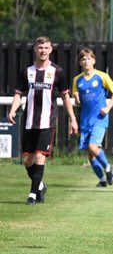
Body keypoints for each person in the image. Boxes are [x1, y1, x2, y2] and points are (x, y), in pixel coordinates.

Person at [7, 36, 78, 204]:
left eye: (46, 47)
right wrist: (13, 109)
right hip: (29, 121)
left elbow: (66, 97)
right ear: (35, 49)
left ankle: (32, 194)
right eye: (40, 48)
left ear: (51, 49)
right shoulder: (27, 71)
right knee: (27, 160)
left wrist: (72, 119)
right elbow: (19, 93)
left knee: (40, 156)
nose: (43, 50)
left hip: (48, 121)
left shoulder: (57, 72)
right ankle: (40, 186)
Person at [72, 48, 113, 187]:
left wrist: (108, 107)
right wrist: (76, 98)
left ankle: (108, 168)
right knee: (90, 154)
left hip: (99, 118)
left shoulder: (102, 76)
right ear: (80, 62)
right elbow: (76, 97)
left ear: (93, 60)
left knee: (93, 146)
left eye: (88, 58)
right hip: (85, 120)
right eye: (83, 59)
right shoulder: (77, 80)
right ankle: (102, 179)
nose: (86, 61)